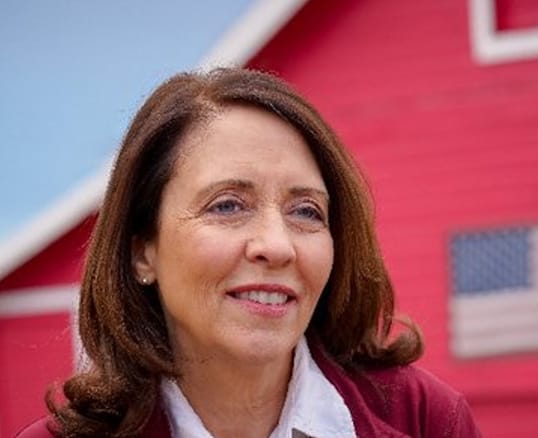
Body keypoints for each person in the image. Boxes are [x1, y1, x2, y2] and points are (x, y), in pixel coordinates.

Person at [17, 68, 481, 437]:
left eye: (306, 211)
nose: (277, 246)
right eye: (227, 206)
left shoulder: (427, 421)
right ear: (142, 251)